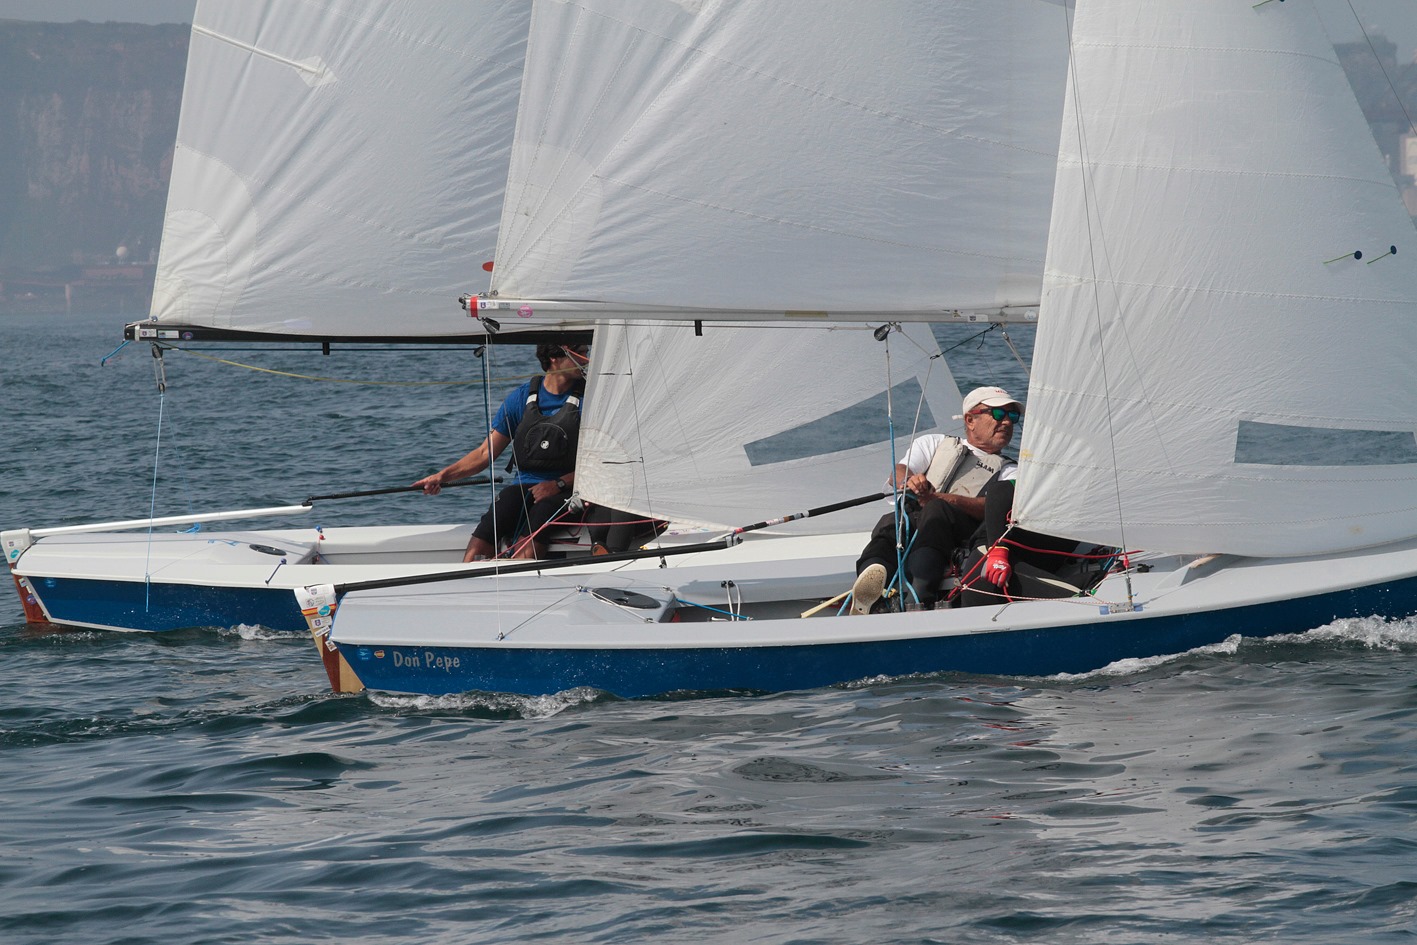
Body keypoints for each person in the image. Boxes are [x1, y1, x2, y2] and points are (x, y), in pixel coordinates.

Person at [849, 386, 1022, 614]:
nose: (1007, 422)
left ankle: (918, 596)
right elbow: (899, 472)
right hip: (917, 521)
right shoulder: (934, 443)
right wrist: (910, 481)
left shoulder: (1010, 471)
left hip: (961, 530)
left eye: (1012, 416)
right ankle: (871, 582)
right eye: (998, 414)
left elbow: (992, 508)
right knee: (893, 521)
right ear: (970, 420)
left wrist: (939, 498)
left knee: (937, 509)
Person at [415, 341, 589, 561]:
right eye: (580, 353)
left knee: (541, 513)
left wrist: (558, 484)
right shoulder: (521, 398)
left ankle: (518, 575)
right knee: (496, 516)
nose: (586, 359)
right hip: (525, 486)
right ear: (554, 358)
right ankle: (470, 574)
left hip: (569, 489)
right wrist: (442, 476)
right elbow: (484, 454)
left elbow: (602, 462)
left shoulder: (590, 399)